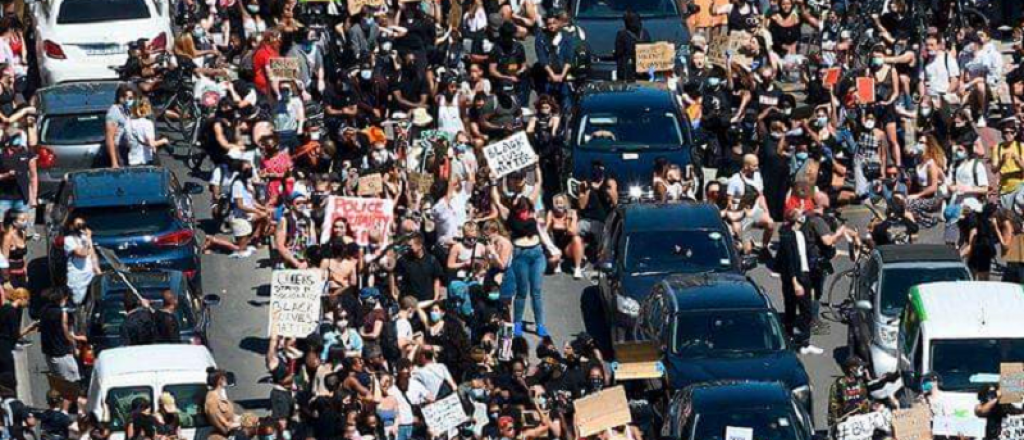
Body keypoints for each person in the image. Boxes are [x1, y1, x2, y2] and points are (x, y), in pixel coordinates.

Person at [775, 209, 822, 355]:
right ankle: (793, 341)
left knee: (803, 310)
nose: (803, 216)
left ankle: (801, 341)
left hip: (804, 273)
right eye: (800, 214)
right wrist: (795, 282)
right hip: (796, 277)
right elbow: (790, 260)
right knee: (795, 309)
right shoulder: (788, 236)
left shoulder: (800, 233)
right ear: (796, 219)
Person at [392, 234, 444, 303]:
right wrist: (394, 292)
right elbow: (393, 274)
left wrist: (436, 298)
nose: (408, 248)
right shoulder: (403, 260)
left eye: (410, 246)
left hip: (428, 301)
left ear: (420, 245)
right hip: (411, 302)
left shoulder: (432, 260)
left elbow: (436, 280)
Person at [63, 217, 100, 305]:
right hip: (78, 278)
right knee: (77, 302)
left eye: (82, 225)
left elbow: (92, 254)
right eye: (78, 225)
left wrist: (98, 270)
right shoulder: (68, 240)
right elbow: (82, 254)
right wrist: (88, 238)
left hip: (90, 276)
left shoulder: (84, 237)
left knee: (93, 301)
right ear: (71, 227)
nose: (81, 228)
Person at [125, 97, 169, 166]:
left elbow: (127, 143)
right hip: (146, 160)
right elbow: (152, 144)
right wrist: (163, 141)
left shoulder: (128, 123)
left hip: (132, 160)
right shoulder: (147, 123)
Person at [105, 84, 137, 168]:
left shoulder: (127, 110)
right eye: (129, 98)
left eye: (132, 98)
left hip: (130, 149)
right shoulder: (114, 111)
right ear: (121, 98)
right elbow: (110, 138)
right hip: (120, 150)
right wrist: (114, 162)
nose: (131, 100)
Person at [613, 10, 650, 82]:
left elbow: (619, 53)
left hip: (629, 73)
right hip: (642, 72)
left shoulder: (621, 35)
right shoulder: (645, 33)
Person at [204, 368, 239, 440]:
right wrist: (244, 423)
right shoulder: (212, 400)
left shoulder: (220, 395)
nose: (227, 380)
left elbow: (231, 416)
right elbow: (224, 426)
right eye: (225, 378)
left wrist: (246, 418)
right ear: (220, 380)